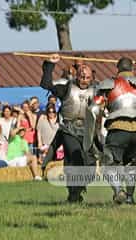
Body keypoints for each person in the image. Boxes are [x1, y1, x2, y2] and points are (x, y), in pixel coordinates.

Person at [86, 57, 136, 204]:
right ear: (132, 69)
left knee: (108, 164)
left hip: (118, 128)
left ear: (117, 68)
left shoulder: (109, 84)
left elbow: (94, 108)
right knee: (130, 164)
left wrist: (93, 134)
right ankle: (130, 198)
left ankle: (119, 191)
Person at [40, 53, 96, 203]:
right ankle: (74, 193)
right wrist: (50, 65)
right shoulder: (66, 88)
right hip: (69, 130)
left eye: (87, 78)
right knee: (76, 157)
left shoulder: (97, 91)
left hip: (88, 131)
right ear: (76, 76)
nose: (84, 80)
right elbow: (47, 84)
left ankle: (77, 189)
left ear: (91, 78)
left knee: (90, 164)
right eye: (81, 77)